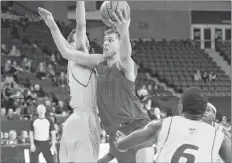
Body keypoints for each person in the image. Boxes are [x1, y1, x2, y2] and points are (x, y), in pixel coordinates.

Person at [39, 5, 154, 163]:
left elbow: (126, 55)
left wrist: (124, 31)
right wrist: (53, 27)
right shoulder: (99, 61)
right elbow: (67, 52)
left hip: (137, 125)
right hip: (115, 132)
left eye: (111, 40)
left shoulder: (126, 65)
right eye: (105, 40)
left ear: (119, 45)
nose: (105, 43)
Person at [38, 2, 100, 162]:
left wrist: (53, 25)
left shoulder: (81, 55)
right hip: (81, 116)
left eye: (83, 37)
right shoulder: (74, 53)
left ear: (87, 43)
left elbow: (80, 26)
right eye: (76, 39)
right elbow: (78, 28)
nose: (81, 38)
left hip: (83, 117)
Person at [115, 87, 231, 163]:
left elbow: (121, 146)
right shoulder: (220, 137)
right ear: (203, 111)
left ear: (180, 107)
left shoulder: (161, 124)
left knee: (145, 151)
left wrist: (120, 139)